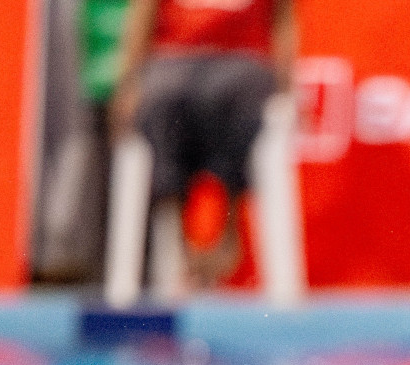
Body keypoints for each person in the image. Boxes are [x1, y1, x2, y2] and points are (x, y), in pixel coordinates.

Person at [110, 0, 296, 288]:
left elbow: (283, 18)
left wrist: (288, 82)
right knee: (161, 100)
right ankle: (180, 242)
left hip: (243, 61)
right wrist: (129, 83)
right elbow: (142, 14)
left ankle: (228, 231)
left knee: (239, 96)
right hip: (175, 61)